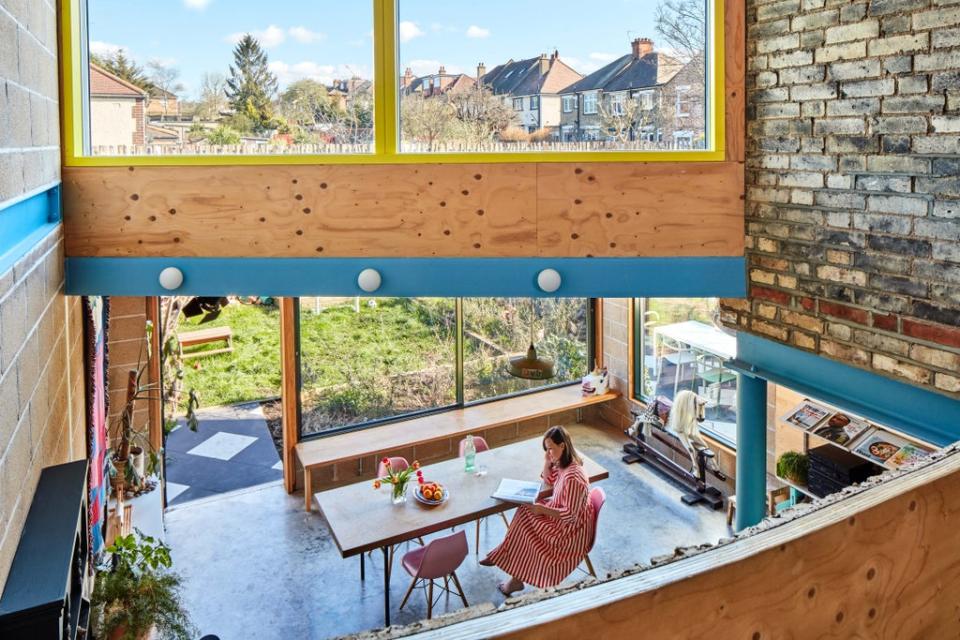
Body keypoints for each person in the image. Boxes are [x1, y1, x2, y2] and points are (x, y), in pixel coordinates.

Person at [479, 426, 593, 596]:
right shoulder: (564, 465)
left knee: (527, 520)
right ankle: (506, 558)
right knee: (524, 510)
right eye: (547, 450)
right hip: (562, 517)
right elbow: (549, 478)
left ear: (563, 446)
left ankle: (510, 570)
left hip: (569, 532)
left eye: (551, 449)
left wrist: (541, 509)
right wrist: (548, 460)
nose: (549, 453)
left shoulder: (574, 477)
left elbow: (570, 516)